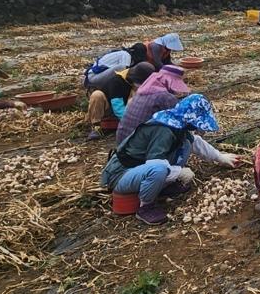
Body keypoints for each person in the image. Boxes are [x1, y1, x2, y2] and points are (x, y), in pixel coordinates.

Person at [101, 94, 237, 225]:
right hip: (121, 174)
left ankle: (162, 187)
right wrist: (179, 172)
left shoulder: (177, 124)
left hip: (140, 170)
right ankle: (145, 207)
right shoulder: (164, 129)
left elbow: (196, 142)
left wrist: (221, 157)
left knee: (186, 144)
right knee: (159, 169)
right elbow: (155, 163)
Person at [115, 64, 190, 143]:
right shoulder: (165, 96)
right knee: (188, 140)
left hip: (122, 142)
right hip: (138, 147)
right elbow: (180, 121)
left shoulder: (143, 91)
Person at [85, 61, 155, 140]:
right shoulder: (117, 82)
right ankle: (96, 127)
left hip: (127, 109)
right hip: (109, 108)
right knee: (97, 95)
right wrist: (130, 121)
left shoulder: (137, 81)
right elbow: (117, 108)